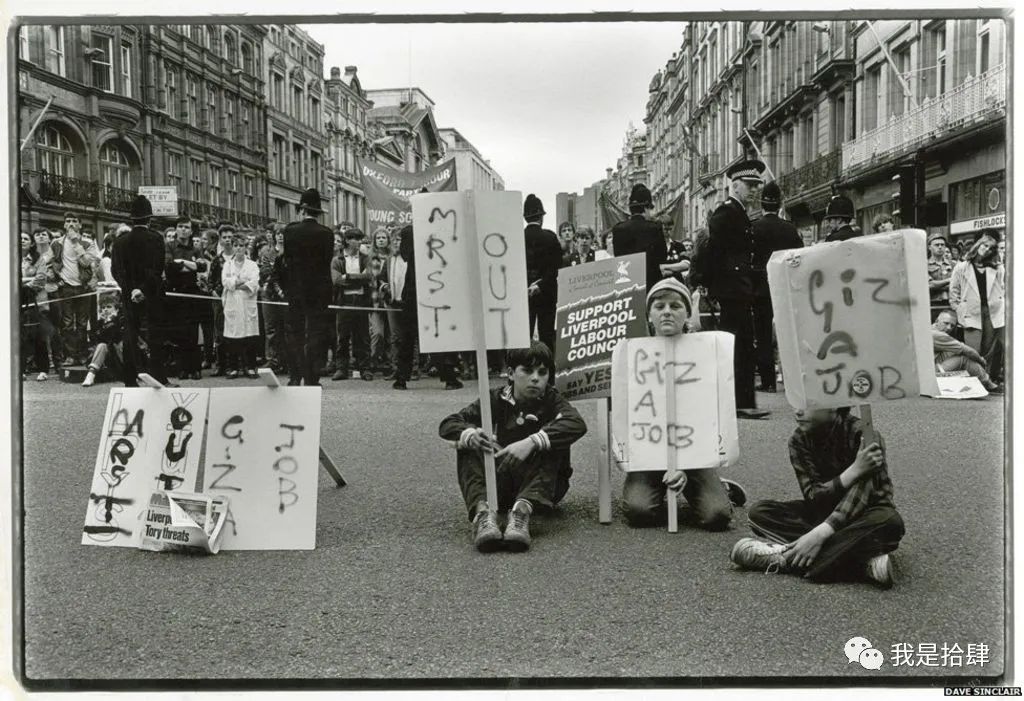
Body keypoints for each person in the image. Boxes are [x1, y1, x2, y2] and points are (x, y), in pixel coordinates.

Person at [620, 277, 749, 530]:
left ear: (688, 314)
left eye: (675, 306)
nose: (667, 311)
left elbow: (712, 417)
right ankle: (657, 487)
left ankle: (718, 487)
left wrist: (686, 468)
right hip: (649, 452)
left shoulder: (706, 354)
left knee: (717, 517)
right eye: (659, 306)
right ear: (649, 316)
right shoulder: (633, 356)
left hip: (695, 452)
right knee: (639, 512)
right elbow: (629, 418)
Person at [730, 406, 905, 589]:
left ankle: (783, 558)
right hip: (826, 515)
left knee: (890, 521)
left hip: (865, 517)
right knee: (760, 513)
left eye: (807, 405)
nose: (798, 411)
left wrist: (821, 533)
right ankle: (860, 564)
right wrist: (852, 472)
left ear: (834, 407)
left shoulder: (865, 436)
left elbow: (860, 497)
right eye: (796, 403)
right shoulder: (799, 439)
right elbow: (813, 496)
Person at [439, 341, 587, 552]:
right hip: (499, 482)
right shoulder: (495, 398)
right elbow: (449, 423)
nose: (535, 378)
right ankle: (483, 514)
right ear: (510, 373)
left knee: (551, 439)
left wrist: (532, 441)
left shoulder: (552, 400)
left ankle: (521, 513)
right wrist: (470, 433)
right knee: (468, 442)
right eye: (527, 371)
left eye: (542, 372)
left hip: (545, 486)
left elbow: (577, 423)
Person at [690, 159, 769, 420]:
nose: (755, 189)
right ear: (734, 186)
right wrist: (709, 284)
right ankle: (739, 401)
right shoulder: (727, 213)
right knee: (738, 346)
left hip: (736, 288)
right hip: (731, 289)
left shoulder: (737, 212)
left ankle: (739, 400)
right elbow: (715, 252)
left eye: (757, 185)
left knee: (739, 345)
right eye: (749, 185)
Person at [110, 195, 172, 387]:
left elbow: (116, 270)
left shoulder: (120, 242)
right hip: (152, 293)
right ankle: (159, 377)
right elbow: (157, 269)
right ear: (149, 218)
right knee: (155, 334)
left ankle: (129, 379)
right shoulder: (155, 239)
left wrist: (129, 289)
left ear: (132, 218)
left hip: (129, 295)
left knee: (130, 334)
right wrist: (143, 289)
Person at [751, 181, 803, 393]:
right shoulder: (790, 230)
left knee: (763, 335)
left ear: (762, 204)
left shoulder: (754, 228)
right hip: (784, 288)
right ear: (780, 204)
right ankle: (791, 378)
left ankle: (768, 381)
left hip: (761, 289)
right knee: (787, 333)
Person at [282, 188, 335, 386]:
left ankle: (295, 376)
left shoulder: (290, 231)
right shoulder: (326, 234)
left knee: (294, 333)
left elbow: (287, 260)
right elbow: (326, 261)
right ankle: (312, 377)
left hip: (295, 289)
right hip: (319, 291)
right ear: (317, 212)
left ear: (302, 210)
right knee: (316, 334)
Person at [949, 231, 1005, 385]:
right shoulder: (962, 267)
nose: (986, 249)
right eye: (984, 245)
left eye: (991, 248)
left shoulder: (998, 268)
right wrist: (959, 308)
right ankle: (975, 381)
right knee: (973, 350)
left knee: (987, 349)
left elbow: (1003, 288)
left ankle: (984, 380)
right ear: (978, 245)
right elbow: (953, 292)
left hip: (991, 312)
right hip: (971, 312)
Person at [52, 212, 97, 366]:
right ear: (64, 224)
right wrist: (56, 279)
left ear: (80, 225)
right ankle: (70, 355)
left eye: (74, 221)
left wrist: (76, 243)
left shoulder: (88, 243)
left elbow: (85, 262)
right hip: (66, 287)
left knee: (83, 323)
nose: (70, 224)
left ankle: (82, 354)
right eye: (68, 221)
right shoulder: (56, 243)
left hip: (83, 287)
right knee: (67, 323)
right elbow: (48, 262)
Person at [522, 194, 562, 370]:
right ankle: (549, 374)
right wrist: (540, 285)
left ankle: (524, 369)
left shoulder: (517, 237)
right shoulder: (550, 237)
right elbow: (556, 268)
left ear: (525, 217)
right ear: (541, 217)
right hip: (546, 292)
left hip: (523, 293)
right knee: (546, 335)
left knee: (524, 336)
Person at [165, 216, 207, 380]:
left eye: (186, 227)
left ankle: (195, 368)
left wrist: (182, 262)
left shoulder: (196, 249)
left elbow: (202, 267)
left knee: (193, 331)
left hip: (191, 291)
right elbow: (169, 267)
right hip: (175, 292)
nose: (183, 229)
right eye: (180, 226)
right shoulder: (169, 245)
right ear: (176, 229)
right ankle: (182, 368)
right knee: (179, 331)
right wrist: (191, 266)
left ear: (191, 231)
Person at [331, 227, 373, 381]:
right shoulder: (337, 259)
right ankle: (341, 368)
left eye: (360, 239)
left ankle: (365, 368)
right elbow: (336, 280)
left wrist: (347, 277)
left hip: (361, 301)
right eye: (355, 238)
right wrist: (358, 279)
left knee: (363, 336)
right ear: (347, 240)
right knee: (342, 337)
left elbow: (368, 276)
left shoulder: (365, 258)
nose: (359, 242)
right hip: (344, 302)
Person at [611, 183, 667, 292]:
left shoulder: (618, 229)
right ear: (646, 208)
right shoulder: (654, 228)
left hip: (627, 285)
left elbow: (618, 258)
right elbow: (662, 257)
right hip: (651, 284)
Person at [931, 309, 1002, 393]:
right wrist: (981, 360)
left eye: (952, 326)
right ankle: (989, 384)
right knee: (964, 358)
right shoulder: (937, 335)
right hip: (930, 374)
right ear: (937, 321)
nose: (949, 328)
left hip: (924, 371)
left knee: (954, 351)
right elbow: (968, 351)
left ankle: (981, 381)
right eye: (946, 323)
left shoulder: (929, 329)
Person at [221, 238, 261, 379]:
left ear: (246, 247)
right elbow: (225, 282)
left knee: (249, 336)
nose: (238, 248)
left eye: (241, 245)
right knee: (232, 336)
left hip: (247, 302)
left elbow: (254, 283)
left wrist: (237, 284)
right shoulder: (227, 265)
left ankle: (250, 367)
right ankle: (233, 368)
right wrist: (241, 281)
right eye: (236, 245)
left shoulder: (252, 265)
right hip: (232, 303)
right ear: (232, 247)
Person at [81, 290, 131, 388]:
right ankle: (91, 374)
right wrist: (105, 324)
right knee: (101, 345)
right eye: (103, 308)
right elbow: (97, 339)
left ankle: (129, 371)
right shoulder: (99, 323)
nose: (105, 310)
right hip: (105, 356)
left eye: (109, 307)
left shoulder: (121, 320)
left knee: (121, 344)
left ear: (116, 309)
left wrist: (112, 323)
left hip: (119, 354)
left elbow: (116, 337)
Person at [259, 226, 287, 374]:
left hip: (286, 294)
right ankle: (272, 359)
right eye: (278, 234)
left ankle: (286, 360)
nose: (281, 237)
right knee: (270, 328)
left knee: (286, 328)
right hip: (269, 294)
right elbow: (265, 272)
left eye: (283, 234)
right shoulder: (267, 253)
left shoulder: (291, 253)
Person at [368, 227, 393, 375]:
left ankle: (389, 364)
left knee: (391, 335)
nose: (381, 240)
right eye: (378, 238)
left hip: (390, 300)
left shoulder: (394, 256)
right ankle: (372, 362)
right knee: (378, 333)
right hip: (375, 301)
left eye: (384, 237)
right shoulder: (370, 258)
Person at [926, 232, 954, 314]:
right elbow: (929, 285)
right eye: (936, 245)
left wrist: (937, 285)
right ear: (929, 247)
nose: (940, 247)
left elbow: (959, 284)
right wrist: (949, 280)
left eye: (942, 245)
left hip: (951, 304)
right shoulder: (924, 265)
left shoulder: (953, 264)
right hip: (932, 305)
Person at [657, 214, 690, 283]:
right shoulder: (654, 247)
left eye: (670, 229)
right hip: (659, 284)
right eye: (666, 229)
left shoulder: (679, 245)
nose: (668, 232)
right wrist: (676, 269)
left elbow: (686, 264)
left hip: (677, 283)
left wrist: (664, 267)